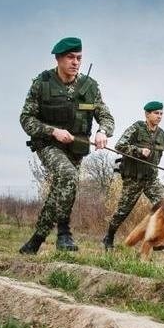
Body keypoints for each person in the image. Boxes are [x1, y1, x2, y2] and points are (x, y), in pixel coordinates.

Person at [19, 37, 115, 254]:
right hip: (48, 144)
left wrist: (102, 132)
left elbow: (106, 116)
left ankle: (36, 241)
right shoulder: (42, 83)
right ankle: (64, 233)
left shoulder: (90, 87)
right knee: (68, 176)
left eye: (79, 58)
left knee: (63, 190)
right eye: (70, 57)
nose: (75, 62)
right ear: (58, 58)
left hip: (76, 148)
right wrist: (52, 131)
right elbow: (26, 119)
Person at [102, 101, 164, 250]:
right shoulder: (136, 128)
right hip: (133, 178)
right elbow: (119, 146)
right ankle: (109, 237)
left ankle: (156, 240)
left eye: (161, 113)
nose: (159, 116)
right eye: (156, 113)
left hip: (150, 178)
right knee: (122, 212)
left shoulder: (162, 135)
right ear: (147, 114)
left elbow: (158, 158)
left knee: (163, 206)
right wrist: (138, 151)